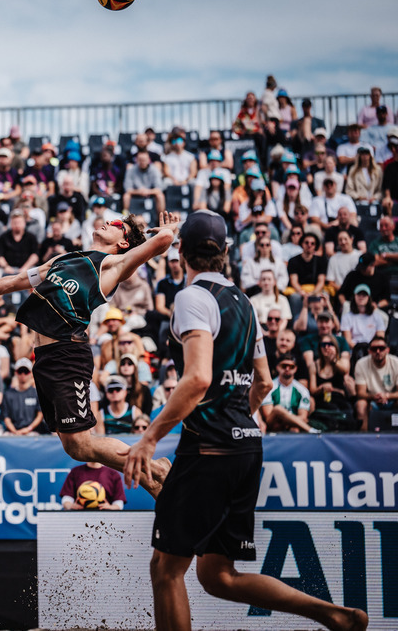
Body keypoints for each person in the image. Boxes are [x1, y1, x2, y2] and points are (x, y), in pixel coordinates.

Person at [122, 209, 367, 631]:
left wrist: (148, 438)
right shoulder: (244, 301)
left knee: (166, 570)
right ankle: (333, 615)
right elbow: (265, 382)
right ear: (227, 253)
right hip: (245, 446)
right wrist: (235, 420)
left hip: (209, 449)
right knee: (217, 575)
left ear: (181, 252)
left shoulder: (192, 297)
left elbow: (198, 378)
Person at [0, 211, 180, 495]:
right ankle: (154, 476)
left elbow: (163, 239)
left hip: (68, 355)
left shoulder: (113, 265)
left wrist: (170, 228)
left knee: (84, 443)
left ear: (124, 243)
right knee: (74, 448)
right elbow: (15, 281)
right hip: (44, 359)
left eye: (118, 225)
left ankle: (156, 468)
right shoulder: (63, 260)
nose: (108, 222)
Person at [260, 352, 315, 433]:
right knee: (277, 409)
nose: (287, 369)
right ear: (277, 367)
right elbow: (268, 416)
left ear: (295, 369)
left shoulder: (302, 390)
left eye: (291, 366)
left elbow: (303, 417)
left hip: (294, 425)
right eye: (284, 366)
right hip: (274, 423)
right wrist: (290, 419)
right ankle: (310, 430)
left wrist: (289, 421)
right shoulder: (269, 387)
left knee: (295, 429)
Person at [353, 335, 398, 432]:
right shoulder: (361, 364)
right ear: (369, 351)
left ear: (387, 350)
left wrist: (387, 396)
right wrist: (375, 397)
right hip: (371, 400)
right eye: (374, 349)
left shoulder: (396, 363)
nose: (378, 351)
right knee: (361, 405)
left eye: (381, 348)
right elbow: (360, 393)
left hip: (392, 399)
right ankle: (363, 438)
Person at [0, 358, 44, 435]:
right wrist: (14, 431)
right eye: (20, 371)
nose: (23, 374)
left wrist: (28, 429)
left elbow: (40, 415)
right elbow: (6, 417)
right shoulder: (8, 394)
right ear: (16, 373)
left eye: (26, 371)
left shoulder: (36, 393)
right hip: (12, 431)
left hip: (33, 431)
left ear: (30, 373)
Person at [60, 461, 127, 510]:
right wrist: (70, 506)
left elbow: (118, 503)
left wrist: (111, 507)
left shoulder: (113, 474)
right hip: (79, 517)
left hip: (105, 519)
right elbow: (66, 499)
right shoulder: (75, 471)